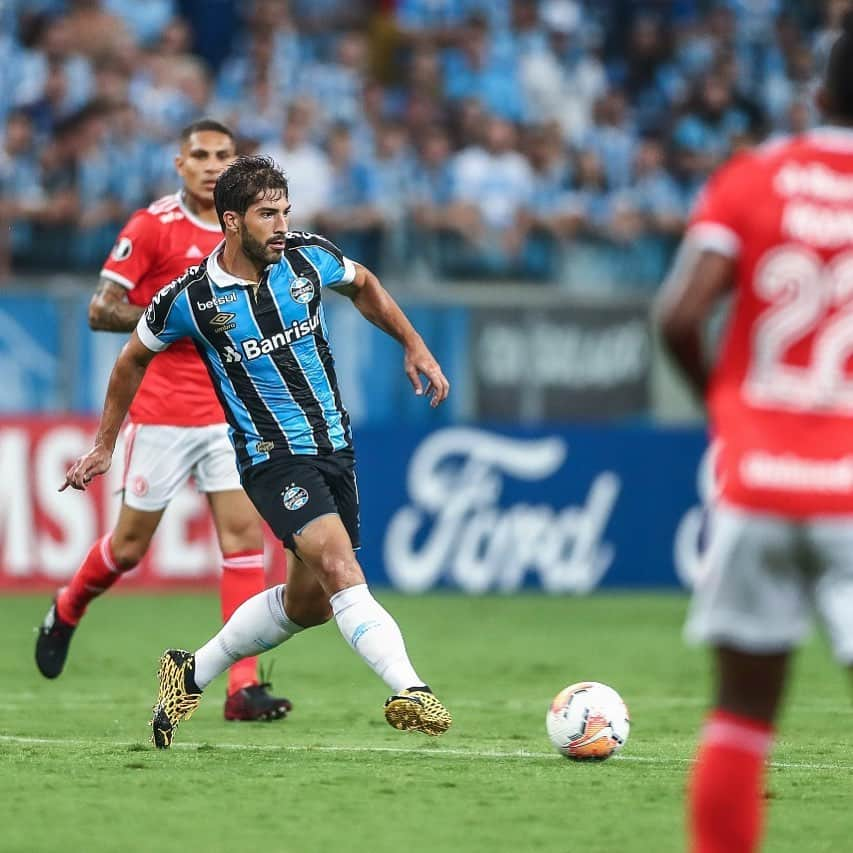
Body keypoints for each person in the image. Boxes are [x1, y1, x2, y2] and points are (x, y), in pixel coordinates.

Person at [61, 155, 452, 749]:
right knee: (342, 568)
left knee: (310, 605)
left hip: (334, 449)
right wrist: (105, 444)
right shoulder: (189, 298)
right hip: (272, 457)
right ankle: (410, 689)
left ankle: (189, 673)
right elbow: (132, 357)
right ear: (231, 222)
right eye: (267, 215)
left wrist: (413, 344)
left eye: (285, 211)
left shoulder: (305, 257)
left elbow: (364, 283)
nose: (281, 225)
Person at [657, 16, 853, 853]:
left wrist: (726, 411)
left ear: (816, 93)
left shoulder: (754, 177)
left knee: (739, 713)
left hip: (757, 477)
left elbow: (678, 316)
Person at [36, 120, 292, 724]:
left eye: (222, 156)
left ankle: (241, 688)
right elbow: (103, 310)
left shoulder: (258, 232)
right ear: (180, 165)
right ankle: (68, 605)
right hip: (162, 416)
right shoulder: (154, 226)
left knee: (243, 541)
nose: (210, 165)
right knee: (127, 549)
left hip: (229, 413)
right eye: (199, 155)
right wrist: (179, 318)